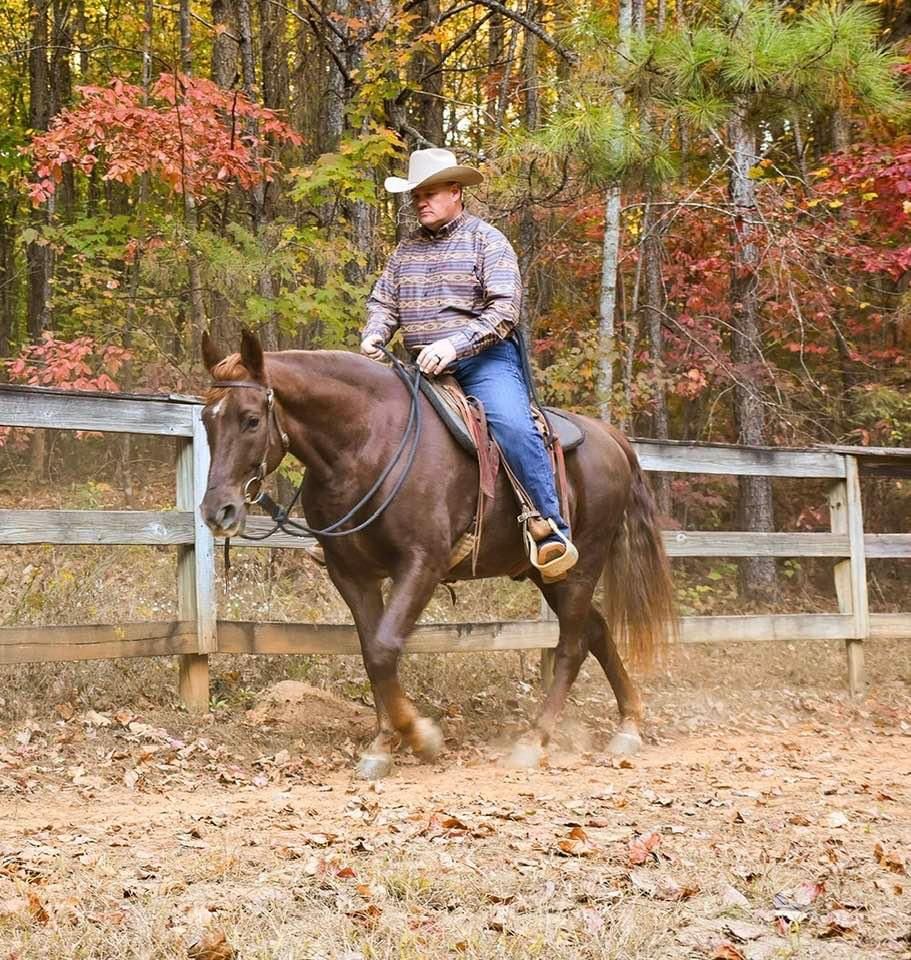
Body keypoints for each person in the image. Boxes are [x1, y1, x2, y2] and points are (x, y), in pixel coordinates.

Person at [360, 147, 577, 577]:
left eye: (431, 192)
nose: (421, 201)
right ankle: (355, 534)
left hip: (482, 361)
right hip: (418, 364)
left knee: (513, 425)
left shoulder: (487, 241)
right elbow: (383, 300)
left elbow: (504, 311)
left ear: (456, 192)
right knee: (366, 424)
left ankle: (549, 527)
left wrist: (455, 346)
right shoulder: (404, 252)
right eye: (416, 194)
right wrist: (375, 332)